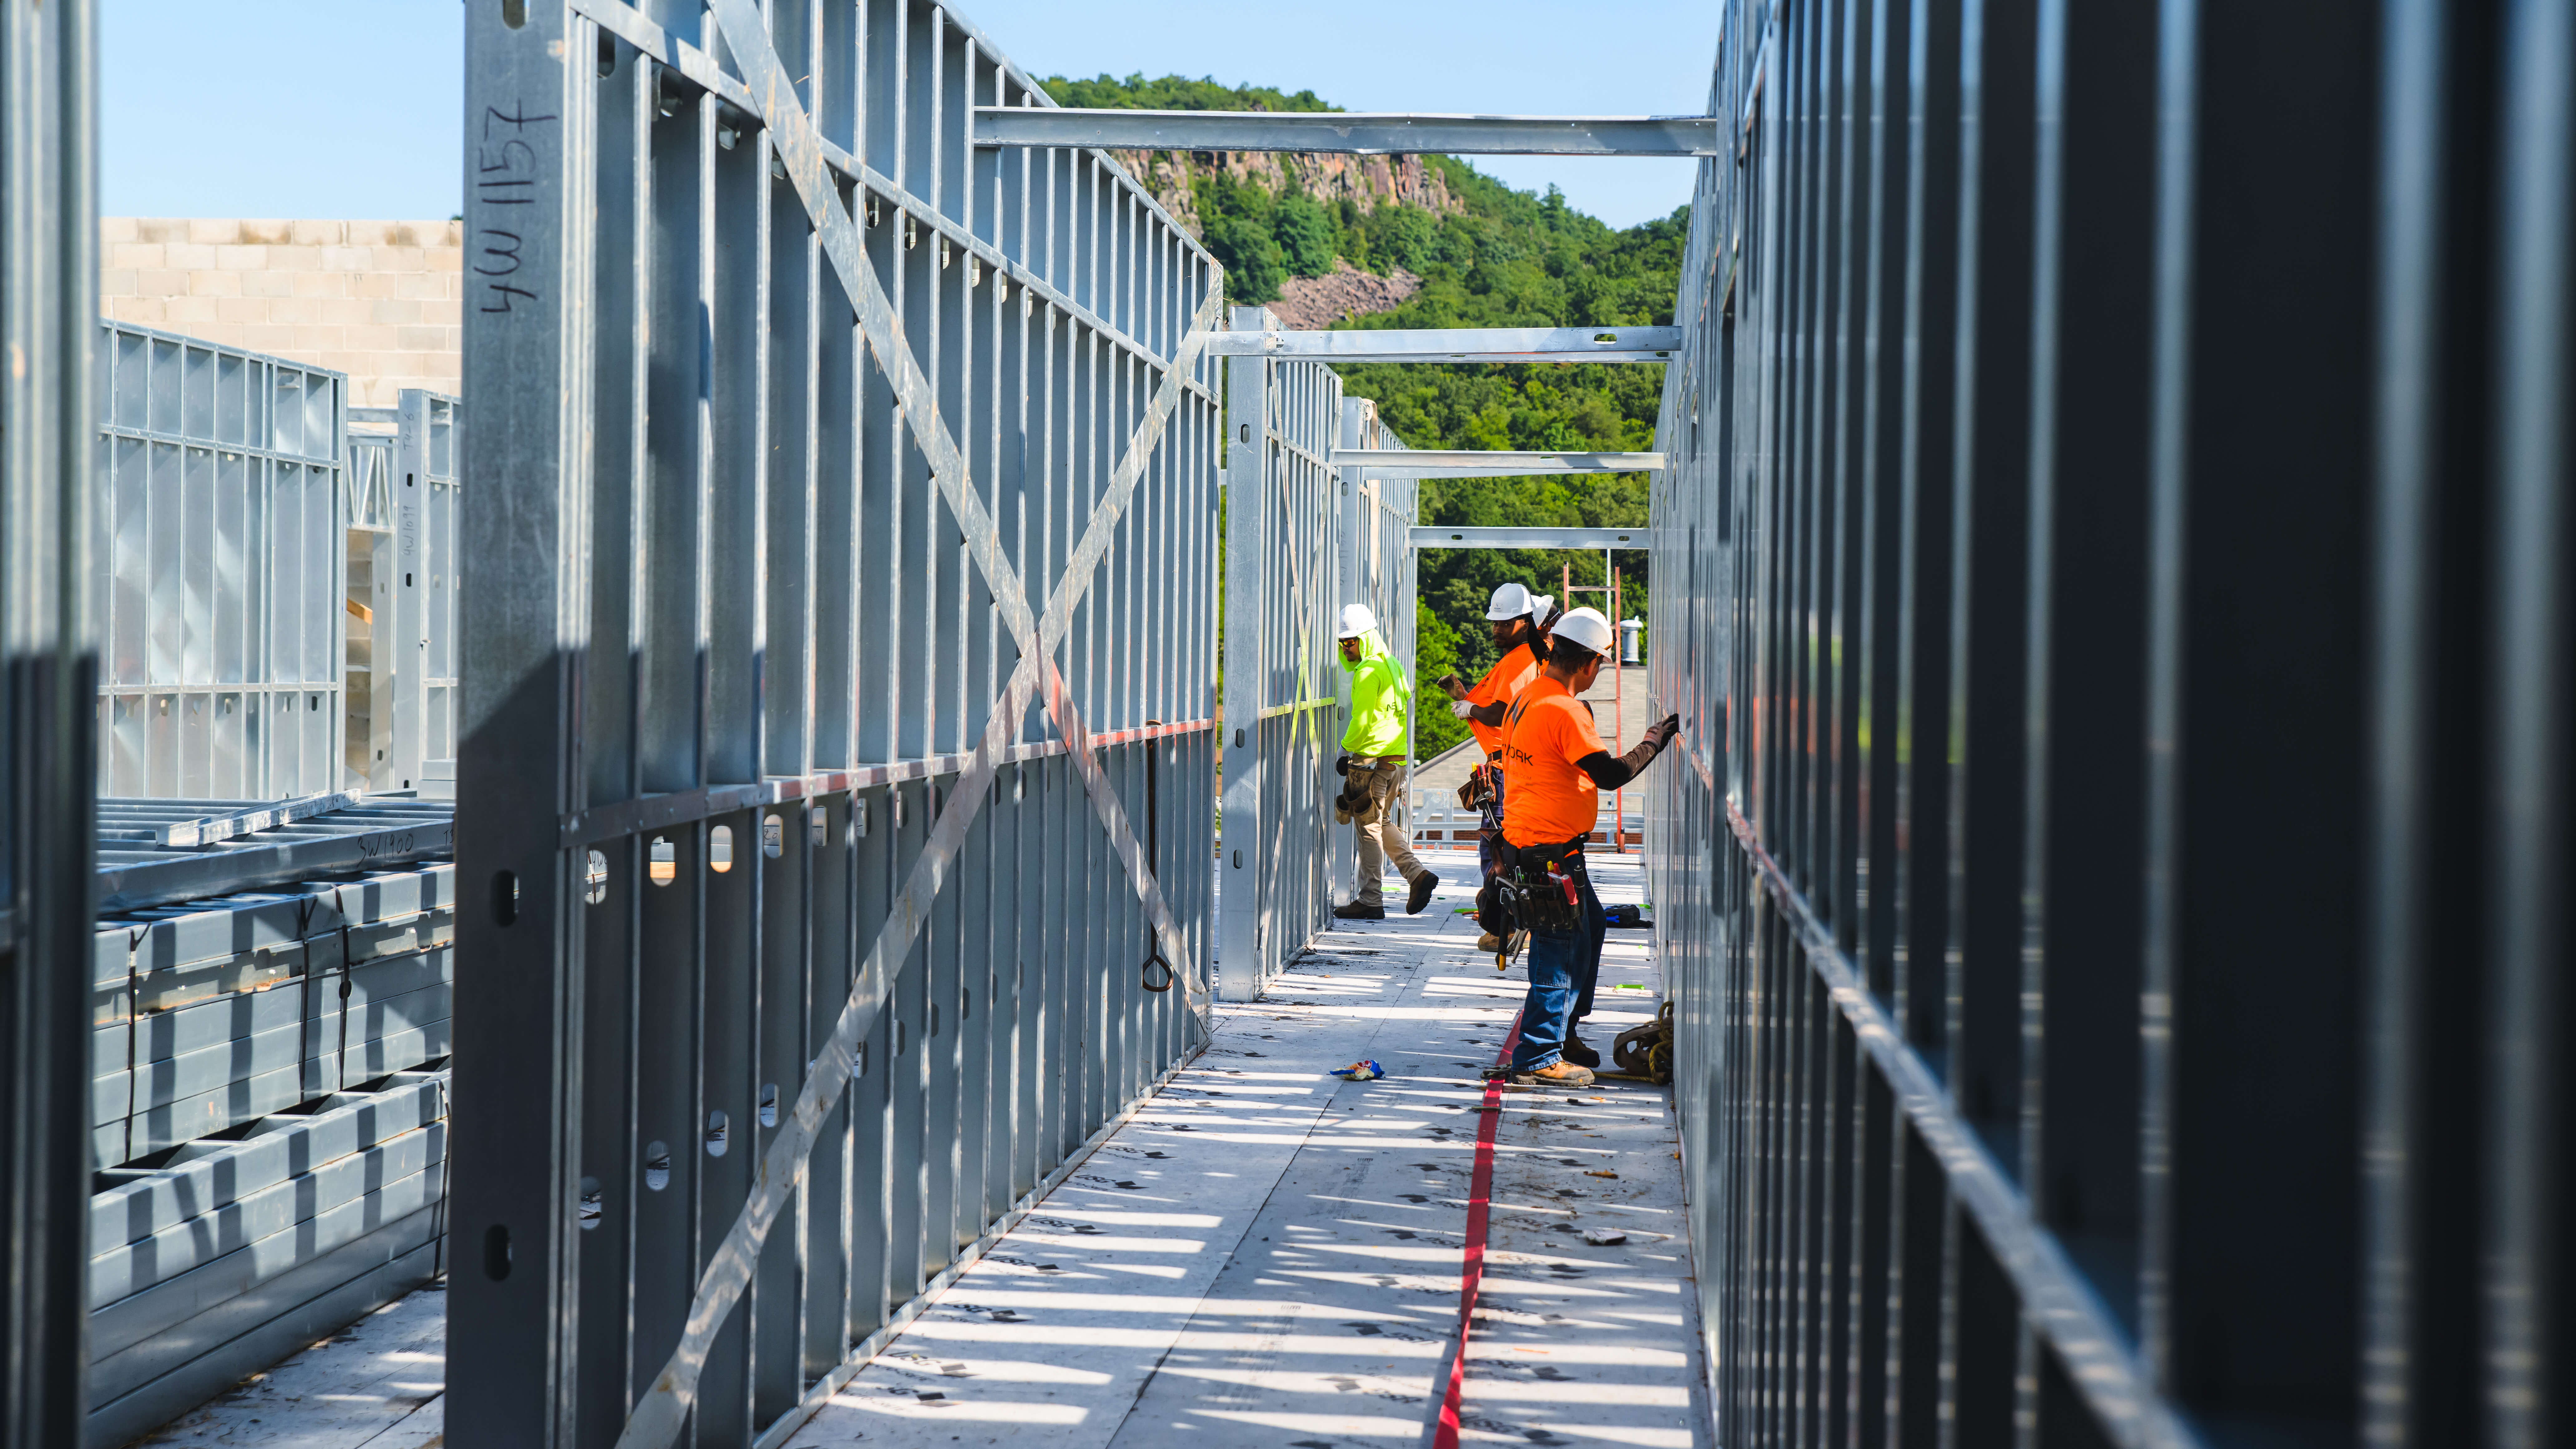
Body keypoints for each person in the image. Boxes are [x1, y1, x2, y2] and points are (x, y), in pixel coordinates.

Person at [1498, 606, 1679, 1086]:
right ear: (1590, 664)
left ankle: (1565, 1030)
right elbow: (1610, 774)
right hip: (1547, 851)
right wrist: (1654, 741)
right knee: (1557, 953)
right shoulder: (1564, 708)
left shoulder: (1531, 694)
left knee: (1590, 926)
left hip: (1537, 844)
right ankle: (1537, 1055)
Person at [1434, 583, 1551, 950]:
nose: (1496, 629)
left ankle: (1508, 927)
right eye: (1495, 623)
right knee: (1511, 848)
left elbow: (1503, 712)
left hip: (1509, 769)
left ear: (1524, 622)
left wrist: (1471, 709)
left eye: (1504, 623)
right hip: (1516, 765)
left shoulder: (1521, 660)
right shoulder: (1529, 657)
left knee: (1498, 849)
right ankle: (1515, 923)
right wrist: (1467, 700)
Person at [1331, 603, 1439, 920]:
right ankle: (1416, 875)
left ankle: (1371, 899)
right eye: (1342, 642)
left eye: (1350, 642)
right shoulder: (1391, 665)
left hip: (1374, 763)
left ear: (1365, 639)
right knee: (1381, 823)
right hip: (1396, 762)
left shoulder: (1367, 672)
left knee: (1367, 829)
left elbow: (1362, 721)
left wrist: (1344, 750)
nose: (1346, 648)